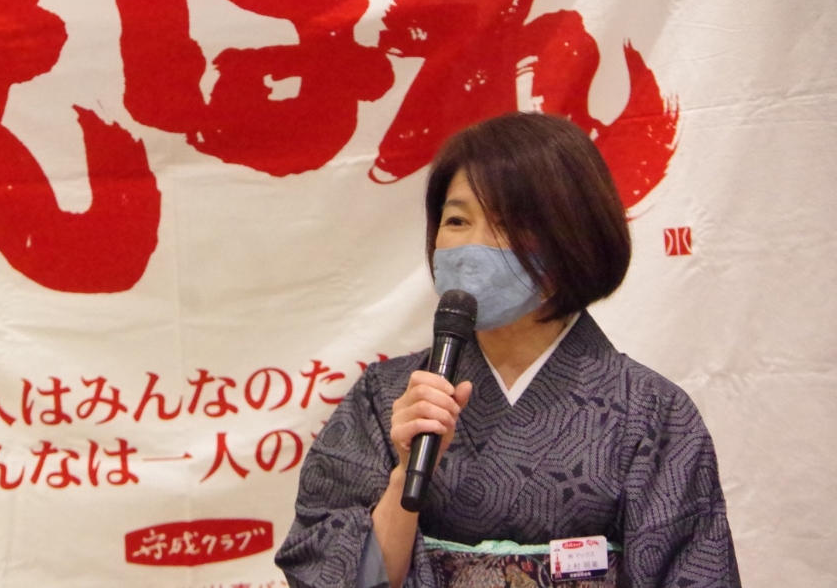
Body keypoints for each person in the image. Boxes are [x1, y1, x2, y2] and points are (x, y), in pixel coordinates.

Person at [274, 113, 740, 587]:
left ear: (576, 237)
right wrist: (405, 476)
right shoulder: (386, 397)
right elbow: (327, 571)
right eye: (457, 221)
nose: (474, 246)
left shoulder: (651, 412)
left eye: (508, 224)